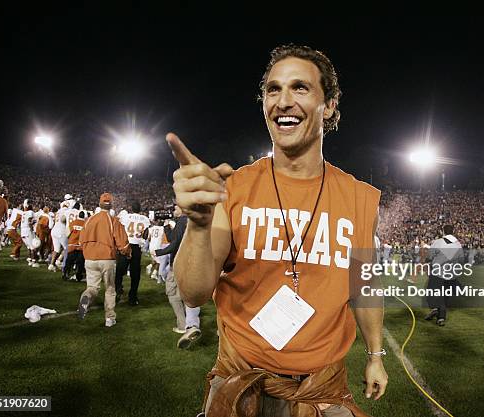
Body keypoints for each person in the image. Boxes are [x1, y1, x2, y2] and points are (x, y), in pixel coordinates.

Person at [168, 44, 387, 416]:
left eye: (300, 88)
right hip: (241, 382)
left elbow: (363, 287)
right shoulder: (233, 188)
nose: (283, 100)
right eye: (273, 89)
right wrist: (200, 225)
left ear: (329, 105)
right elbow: (192, 294)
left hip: (323, 386)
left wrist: (376, 355)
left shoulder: (359, 198)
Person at [152, 205, 201, 349]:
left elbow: (175, 244)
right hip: (194, 263)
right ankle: (191, 324)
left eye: (175, 208)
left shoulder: (182, 221)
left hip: (180, 263)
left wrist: (159, 252)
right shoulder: (194, 221)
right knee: (188, 294)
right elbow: (176, 238)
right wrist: (167, 228)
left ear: (182, 209)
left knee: (172, 293)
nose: (173, 211)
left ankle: (183, 324)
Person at [77, 193, 130, 327]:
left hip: (89, 258)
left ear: (99, 204)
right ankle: (109, 318)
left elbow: (81, 240)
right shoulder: (113, 220)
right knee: (110, 289)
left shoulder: (89, 220)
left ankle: (86, 298)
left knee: (92, 287)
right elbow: (122, 243)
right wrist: (127, 252)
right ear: (111, 204)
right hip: (107, 258)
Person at [424, 224, 464, 326]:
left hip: (438, 273)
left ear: (443, 231)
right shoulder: (458, 244)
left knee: (431, 292)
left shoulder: (438, 242)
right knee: (444, 296)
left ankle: (438, 313)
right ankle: (438, 313)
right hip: (451, 273)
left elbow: (429, 256)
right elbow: (461, 259)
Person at [115, 200, 150, 305]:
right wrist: (142, 242)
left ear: (131, 209)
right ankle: (133, 297)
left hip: (126, 245)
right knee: (135, 274)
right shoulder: (145, 219)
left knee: (119, 271)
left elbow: (119, 227)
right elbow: (145, 234)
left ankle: (117, 290)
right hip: (136, 248)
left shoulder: (126, 217)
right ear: (140, 210)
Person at [64, 210, 86, 281]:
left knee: (69, 261)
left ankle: (66, 274)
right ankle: (78, 276)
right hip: (81, 245)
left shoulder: (73, 222)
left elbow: (67, 233)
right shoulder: (86, 224)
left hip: (72, 244)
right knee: (80, 262)